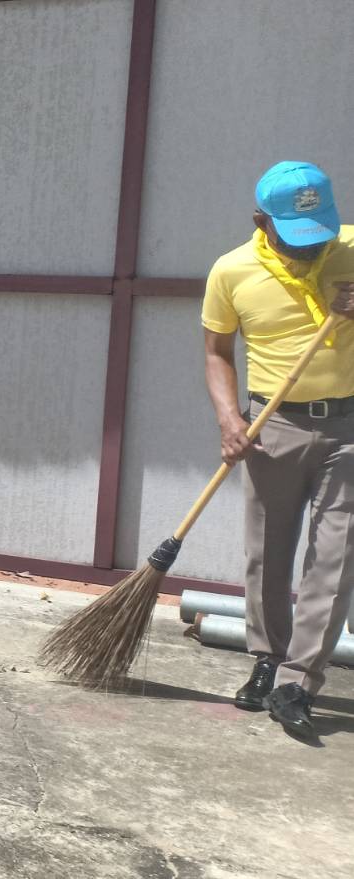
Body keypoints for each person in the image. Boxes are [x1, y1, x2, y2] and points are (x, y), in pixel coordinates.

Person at [203, 161, 354, 741]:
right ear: (260, 221)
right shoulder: (232, 271)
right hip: (274, 424)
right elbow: (216, 352)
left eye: (319, 233)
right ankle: (268, 658)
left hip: (349, 425)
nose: (311, 248)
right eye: (296, 235)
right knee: (267, 550)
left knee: (335, 556)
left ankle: (299, 681)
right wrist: (229, 419)